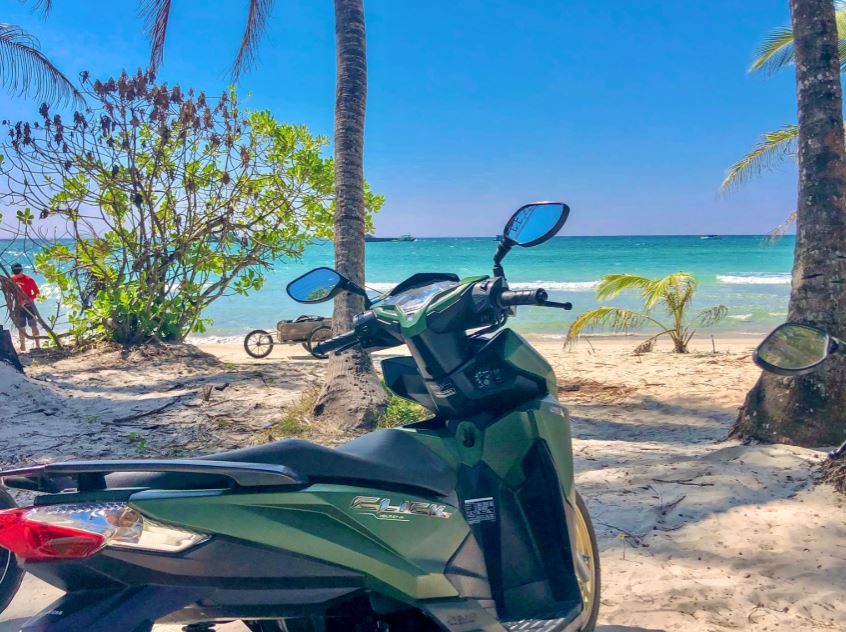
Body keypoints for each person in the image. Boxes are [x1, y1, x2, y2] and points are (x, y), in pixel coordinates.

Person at [9, 263, 40, 352]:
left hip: (29, 306)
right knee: (21, 326)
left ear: (22, 270)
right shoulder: (12, 279)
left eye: (18, 272)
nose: (17, 274)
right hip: (18, 306)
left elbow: (37, 293)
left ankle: (38, 345)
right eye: (15, 272)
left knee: (33, 325)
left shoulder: (29, 279)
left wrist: (26, 301)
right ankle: (23, 347)